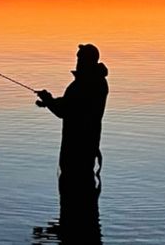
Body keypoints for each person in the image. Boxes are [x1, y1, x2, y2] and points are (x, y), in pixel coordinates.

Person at [35, 43, 109, 176]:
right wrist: (49, 101)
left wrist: (48, 100)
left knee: (74, 186)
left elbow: (65, 111)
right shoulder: (94, 81)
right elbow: (71, 103)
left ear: (89, 60)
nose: (78, 62)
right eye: (78, 58)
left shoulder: (87, 84)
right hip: (87, 146)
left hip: (77, 149)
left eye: (80, 58)